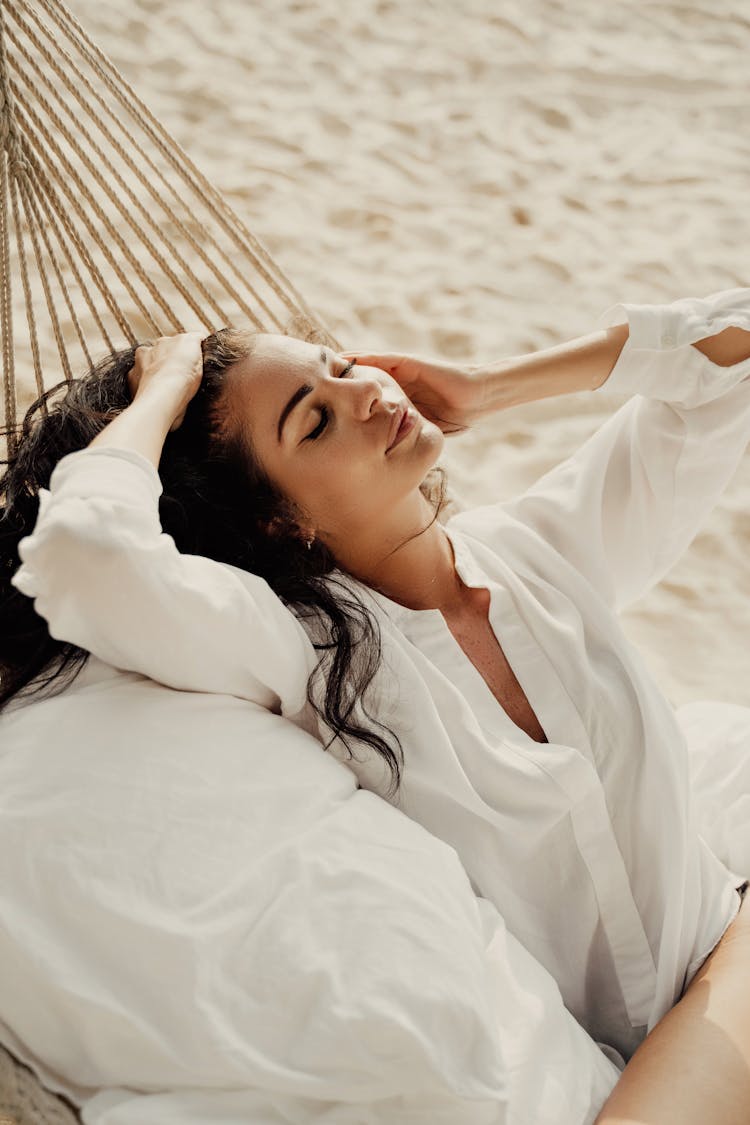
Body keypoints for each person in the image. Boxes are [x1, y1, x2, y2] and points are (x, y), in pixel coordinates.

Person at [2, 288, 750, 1119]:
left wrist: (489, 384)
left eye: (341, 364)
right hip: (660, 1080)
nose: (363, 392)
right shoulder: (312, 655)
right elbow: (86, 555)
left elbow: (732, 357)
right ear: (281, 523)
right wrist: (165, 386)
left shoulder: (545, 548)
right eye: (314, 422)